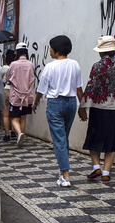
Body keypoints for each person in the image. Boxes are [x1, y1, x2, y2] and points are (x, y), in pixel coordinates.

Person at [33, 35, 83, 187]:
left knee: (59, 140)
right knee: (64, 138)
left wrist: (34, 104)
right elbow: (79, 88)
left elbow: (41, 90)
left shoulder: (50, 67)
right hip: (71, 103)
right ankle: (62, 170)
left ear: (56, 50)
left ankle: (65, 175)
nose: (49, 51)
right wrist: (83, 107)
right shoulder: (75, 64)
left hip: (55, 103)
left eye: (50, 48)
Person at [78, 35, 115, 182]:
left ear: (101, 51)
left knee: (94, 138)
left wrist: (82, 107)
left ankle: (96, 167)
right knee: (111, 141)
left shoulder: (98, 66)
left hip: (99, 107)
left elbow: (91, 87)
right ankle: (106, 172)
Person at [6, 43, 35, 147]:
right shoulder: (30, 64)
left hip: (16, 96)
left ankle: (19, 134)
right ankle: (21, 138)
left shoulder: (13, 64)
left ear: (16, 52)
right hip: (27, 96)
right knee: (23, 117)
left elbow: (8, 79)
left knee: (14, 118)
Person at [0, 49, 15, 142]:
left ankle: (7, 134)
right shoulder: (16, 67)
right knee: (13, 114)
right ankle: (13, 131)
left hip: (6, 90)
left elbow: (0, 79)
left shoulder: (4, 68)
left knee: (5, 115)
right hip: (15, 91)